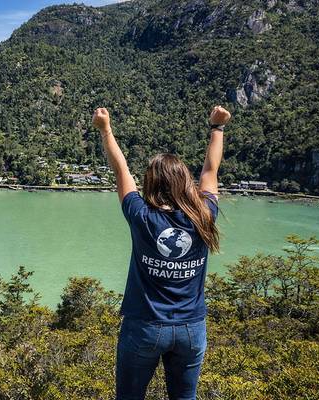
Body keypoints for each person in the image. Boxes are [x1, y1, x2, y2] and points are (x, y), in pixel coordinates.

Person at [92, 105, 231, 400]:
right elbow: (210, 170)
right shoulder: (203, 216)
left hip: (144, 326)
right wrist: (217, 128)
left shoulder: (142, 217)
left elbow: (121, 170)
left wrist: (105, 130)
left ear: (151, 183)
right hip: (192, 329)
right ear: (184, 182)